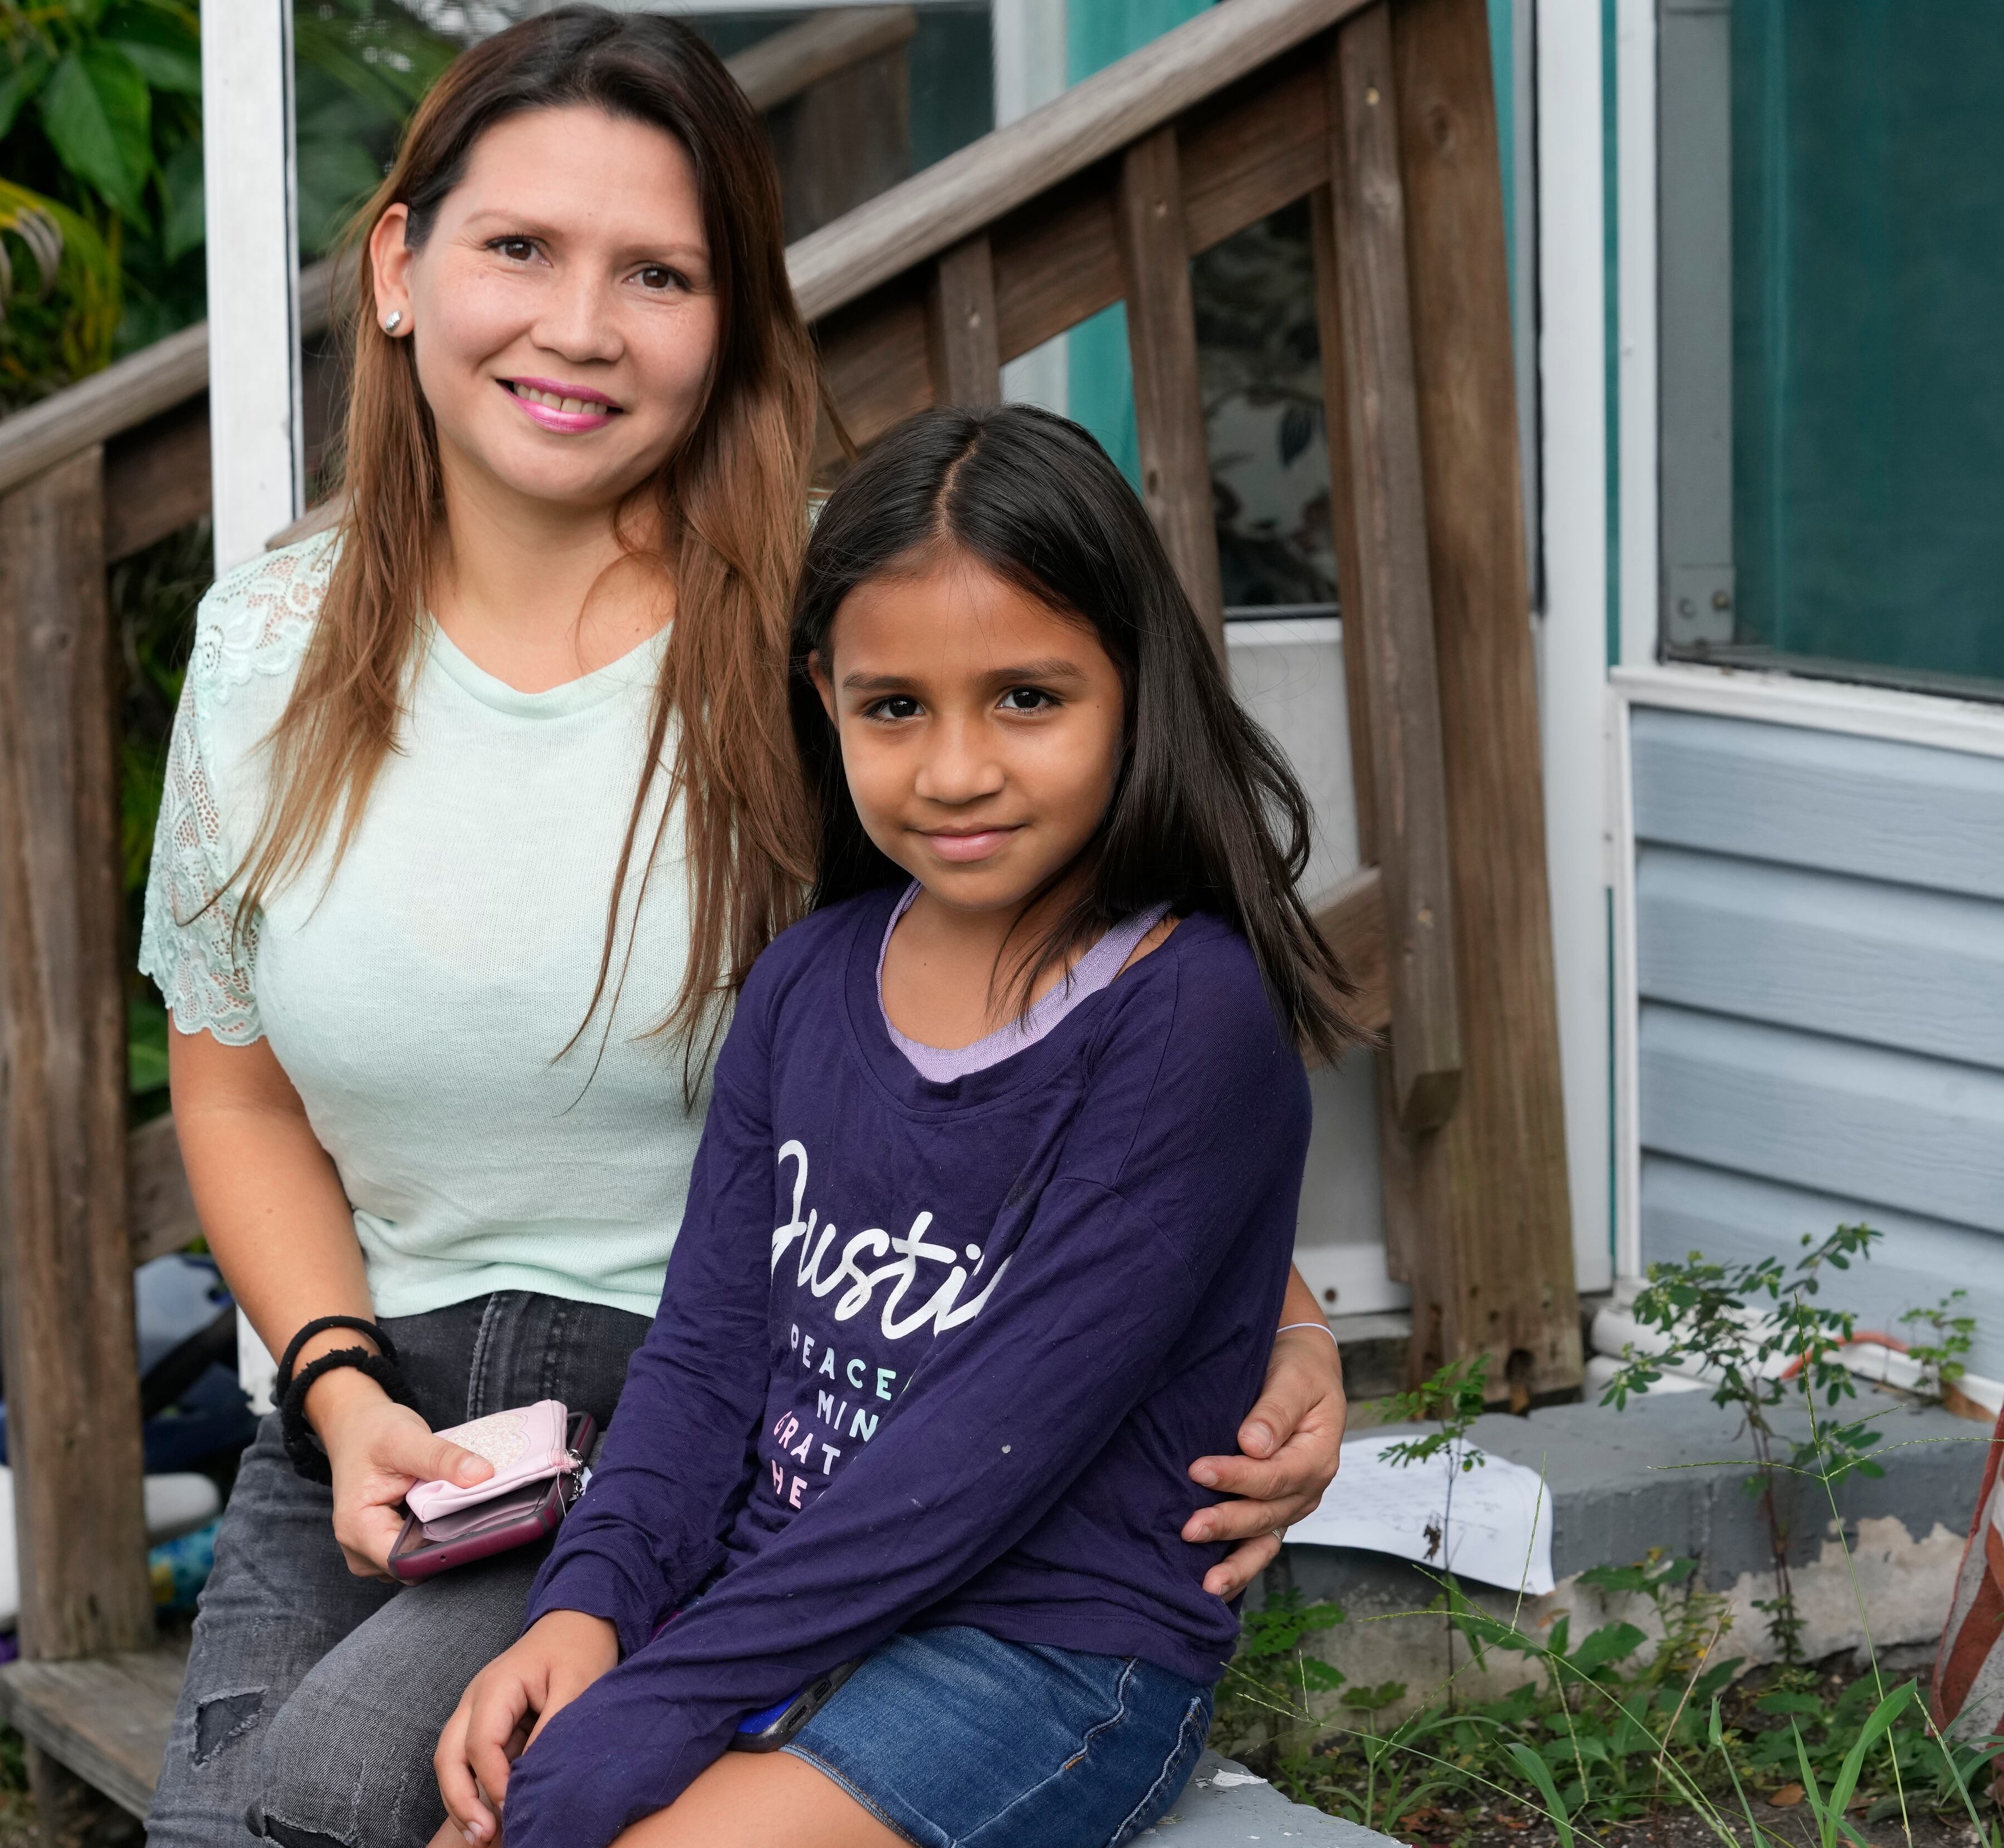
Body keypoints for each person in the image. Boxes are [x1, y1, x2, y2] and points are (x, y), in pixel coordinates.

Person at [136, 15, 1348, 1848]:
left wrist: (1276, 1314)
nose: (581, 325)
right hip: (399, 1420)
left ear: (733, 320)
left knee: (355, 1807)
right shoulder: (261, 652)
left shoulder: (841, 626)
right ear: (398, 268)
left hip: (730, 1414)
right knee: (225, 1831)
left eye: (660, 272)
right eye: (520, 247)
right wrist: (338, 1383)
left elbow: (1049, 999)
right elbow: (230, 1097)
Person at [431, 404, 1362, 1848]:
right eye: (894, 707)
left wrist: (664, 1700)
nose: (955, 770)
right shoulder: (809, 985)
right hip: (777, 1589)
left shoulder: (1188, 1019)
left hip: (1041, 1650)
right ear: (825, 695)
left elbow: (985, 1456)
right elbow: (707, 1354)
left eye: (1029, 699)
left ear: (1137, 684)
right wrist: (593, 1604)